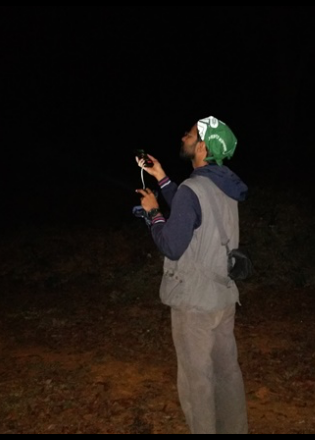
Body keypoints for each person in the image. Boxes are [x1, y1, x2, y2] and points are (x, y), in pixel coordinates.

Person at [135, 116, 249, 434]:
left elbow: (172, 244)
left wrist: (153, 213)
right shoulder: (223, 184)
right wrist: (161, 178)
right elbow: (195, 215)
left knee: (196, 380)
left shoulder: (194, 188)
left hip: (195, 304)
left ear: (202, 146)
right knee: (227, 373)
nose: (183, 136)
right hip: (222, 298)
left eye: (190, 134)